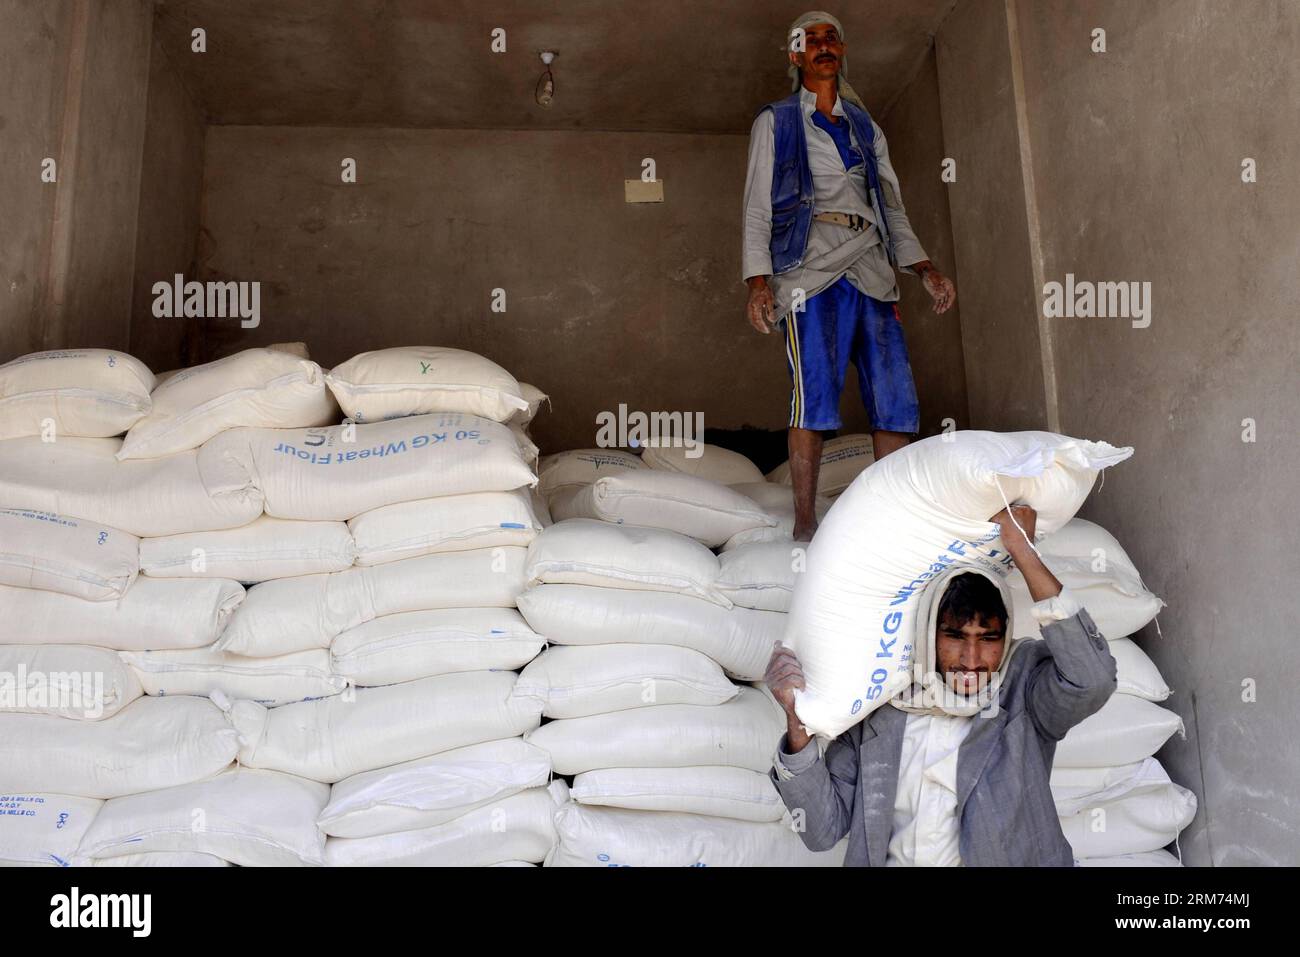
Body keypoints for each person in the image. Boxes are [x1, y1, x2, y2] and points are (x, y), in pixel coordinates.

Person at [763, 505, 1118, 866]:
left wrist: (1024, 552)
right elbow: (821, 830)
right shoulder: (884, 703)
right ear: (929, 631)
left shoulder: (1022, 688)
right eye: (955, 636)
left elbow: (1094, 680)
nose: (971, 659)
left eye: (988, 638)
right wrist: (797, 721)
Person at [742, 10, 957, 541]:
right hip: (808, 273)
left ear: (841, 52)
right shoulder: (777, 121)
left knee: (895, 400)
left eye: (831, 38)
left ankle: (890, 523)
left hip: (872, 268)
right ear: (796, 56)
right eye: (810, 40)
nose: (822, 46)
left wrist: (923, 267)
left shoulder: (867, 127)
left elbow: (893, 207)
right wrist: (758, 282)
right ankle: (805, 526)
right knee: (813, 399)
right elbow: (756, 209)